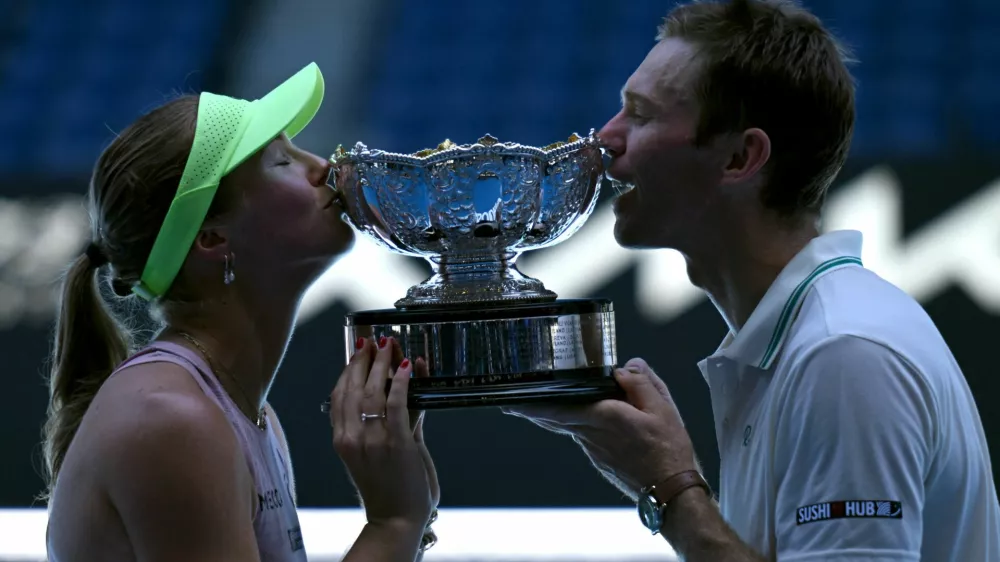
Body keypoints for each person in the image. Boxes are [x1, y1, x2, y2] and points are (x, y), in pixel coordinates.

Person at [505, 1, 1000, 561]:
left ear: (740, 157)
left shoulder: (842, 355)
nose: (605, 139)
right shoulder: (811, 337)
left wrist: (669, 488)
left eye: (640, 116)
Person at [41, 62, 440, 562]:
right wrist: (396, 522)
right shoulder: (171, 418)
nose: (322, 166)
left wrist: (408, 517)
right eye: (281, 161)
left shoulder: (246, 413)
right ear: (211, 238)